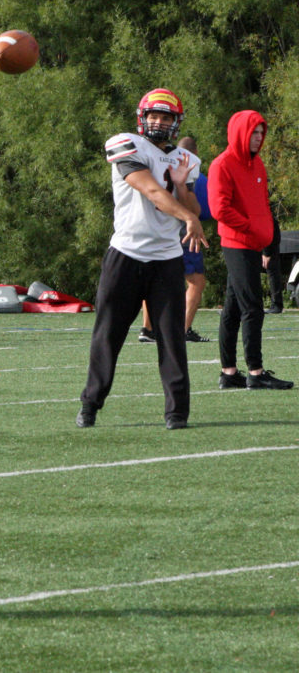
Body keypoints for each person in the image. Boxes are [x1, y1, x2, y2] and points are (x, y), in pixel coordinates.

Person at [77, 89, 207, 430]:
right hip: (127, 254)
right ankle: (90, 404)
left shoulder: (186, 161)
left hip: (166, 259)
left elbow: (194, 209)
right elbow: (148, 189)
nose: (159, 122)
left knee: (172, 339)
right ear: (141, 116)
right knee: (108, 334)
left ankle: (177, 413)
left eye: (166, 117)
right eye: (154, 115)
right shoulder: (124, 143)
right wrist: (187, 217)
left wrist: (181, 187)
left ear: (176, 122)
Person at [208, 110, 293, 390]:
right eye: (253, 133)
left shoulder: (258, 166)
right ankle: (255, 373)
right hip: (237, 243)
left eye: (261, 133)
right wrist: (250, 228)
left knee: (232, 309)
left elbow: (262, 206)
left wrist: (266, 237)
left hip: (254, 243)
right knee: (253, 308)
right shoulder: (222, 164)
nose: (258, 138)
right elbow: (219, 208)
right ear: (240, 133)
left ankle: (229, 373)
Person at [137, 136, 212, 343]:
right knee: (196, 281)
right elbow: (202, 210)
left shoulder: (152, 166)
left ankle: (147, 328)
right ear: (193, 153)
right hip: (183, 230)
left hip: (155, 230)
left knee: (153, 279)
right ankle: (183, 329)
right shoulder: (194, 173)